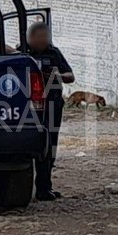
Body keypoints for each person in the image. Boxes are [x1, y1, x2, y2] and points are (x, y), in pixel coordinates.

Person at [23, 22, 75, 201]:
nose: (42, 40)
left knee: (50, 145)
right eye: (38, 37)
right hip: (30, 107)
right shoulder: (23, 52)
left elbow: (70, 76)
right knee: (32, 145)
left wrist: (56, 76)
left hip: (52, 104)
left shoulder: (54, 53)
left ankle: (44, 187)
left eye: (45, 36)